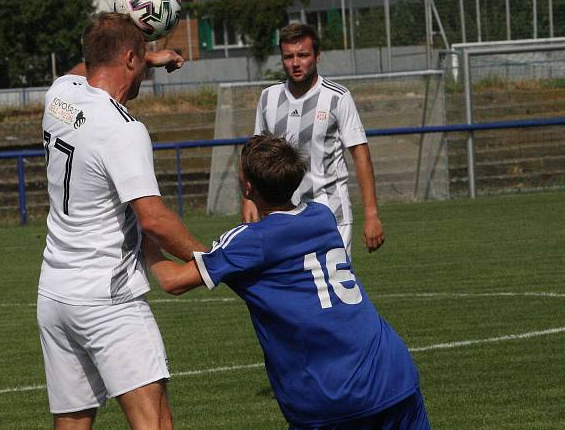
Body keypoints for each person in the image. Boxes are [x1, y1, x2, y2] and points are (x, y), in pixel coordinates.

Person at [145, 134, 429, 430]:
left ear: (247, 187)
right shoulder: (322, 215)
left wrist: (142, 238)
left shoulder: (250, 242)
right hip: (392, 373)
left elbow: (173, 280)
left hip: (332, 395)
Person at [37, 12, 205, 430]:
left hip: (55, 294)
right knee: (155, 422)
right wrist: (217, 258)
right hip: (107, 300)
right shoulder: (122, 128)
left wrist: (141, 52)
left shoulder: (59, 95)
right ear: (129, 59)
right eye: (141, 56)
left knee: (72, 422)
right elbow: (154, 221)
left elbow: (87, 68)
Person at [242, 23, 384, 256]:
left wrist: (371, 215)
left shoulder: (338, 97)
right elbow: (255, 154)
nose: (296, 63)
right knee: (293, 287)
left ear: (317, 56)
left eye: (303, 55)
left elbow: (361, 157)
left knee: (333, 287)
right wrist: (248, 200)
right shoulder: (269, 97)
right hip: (283, 216)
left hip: (331, 214)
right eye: (289, 56)